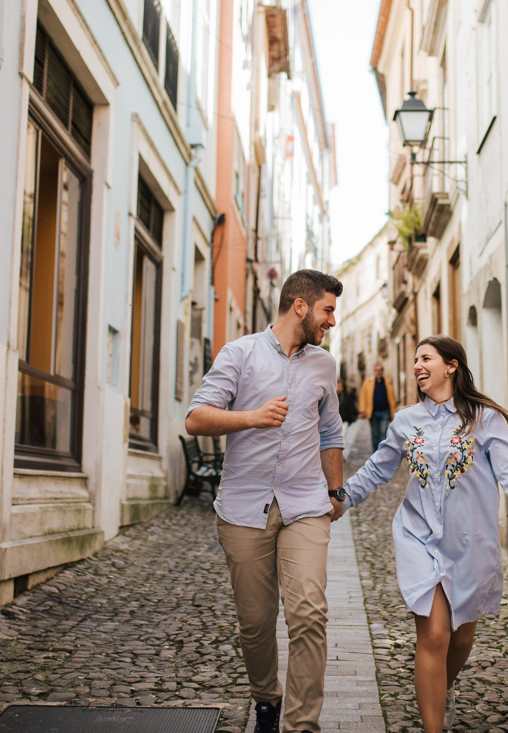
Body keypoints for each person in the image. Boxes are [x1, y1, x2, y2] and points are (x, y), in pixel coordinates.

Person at [334, 335, 508, 733]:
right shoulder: (406, 421)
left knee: (461, 637)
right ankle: (433, 726)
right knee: (434, 633)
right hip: (418, 536)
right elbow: (378, 468)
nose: (417, 366)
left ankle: (442, 687)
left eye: (426, 358)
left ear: (451, 365)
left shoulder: (483, 419)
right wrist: (343, 498)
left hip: (470, 543)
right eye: (415, 359)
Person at [186, 269, 346, 733]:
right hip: (243, 507)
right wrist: (251, 418)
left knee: (309, 615)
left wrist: (335, 493)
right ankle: (266, 701)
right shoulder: (239, 353)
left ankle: (300, 726)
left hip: (305, 505)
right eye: (328, 309)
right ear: (301, 305)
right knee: (255, 623)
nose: (332, 320)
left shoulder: (323, 365)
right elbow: (196, 419)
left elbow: (332, 432)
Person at [358, 363, 396, 448]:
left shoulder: (388, 382)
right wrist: (362, 410)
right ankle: (375, 453)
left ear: (382, 371)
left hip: (385, 412)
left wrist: (394, 411)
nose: (378, 372)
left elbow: (392, 398)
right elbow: (363, 397)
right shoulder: (368, 382)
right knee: (375, 434)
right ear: (374, 371)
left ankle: (382, 454)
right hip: (373, 412)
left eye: (380, 370)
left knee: (383, 433)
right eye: (376, 370)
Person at [337, 379, 359, 444]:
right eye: (337, 386)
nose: (339, 388)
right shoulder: (332, 396)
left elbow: (353, 398)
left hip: (344, 419)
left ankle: (342, 452)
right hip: (335, 421)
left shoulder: (346, 396)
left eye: (340, 386)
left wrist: (353, 388)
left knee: (343, 435)